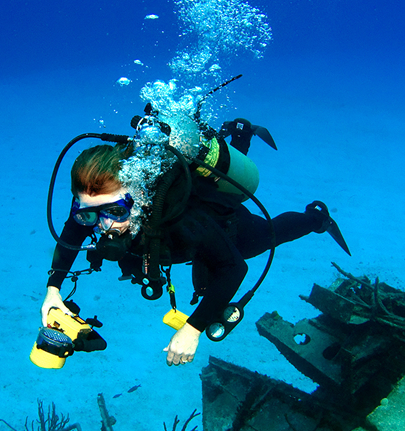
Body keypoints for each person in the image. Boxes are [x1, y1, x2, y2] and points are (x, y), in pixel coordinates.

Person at [40, 117, 349, 367]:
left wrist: (192, 330)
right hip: (167, 244)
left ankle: (317, 218)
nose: (104, 225)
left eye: (116, 211)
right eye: (91, 214)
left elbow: (234, 269)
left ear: (142, 196)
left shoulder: (184, 219)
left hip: (221, 227)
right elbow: (71, 232)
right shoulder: (94, 199)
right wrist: (53, 291)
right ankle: (239, 135)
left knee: (266, 236)